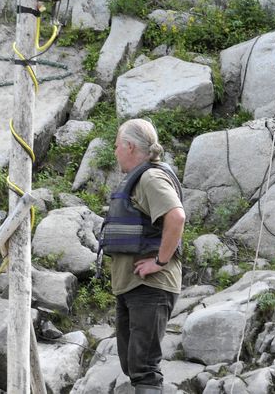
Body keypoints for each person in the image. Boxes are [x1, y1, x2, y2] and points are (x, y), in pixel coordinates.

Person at [101, 118, 185, 394]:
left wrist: (159, 261)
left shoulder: (151, 177)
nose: (114, 152)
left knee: (144, 369)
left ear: (129, 146)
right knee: (132, 363)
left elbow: (176, 216)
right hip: (132, 286)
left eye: (116, 146)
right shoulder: (140, 178)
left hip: (150, 287)